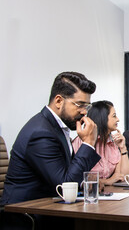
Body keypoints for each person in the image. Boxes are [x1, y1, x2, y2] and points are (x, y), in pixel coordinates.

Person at [0, 72, 101, 229]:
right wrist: (88, 143)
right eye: (80, 105)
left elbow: (67, 174)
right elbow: (66, 186)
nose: (84, 112)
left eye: (87, 106)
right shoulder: (41, 132)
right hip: (26, 216)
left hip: (49, 207)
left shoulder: (57, 128)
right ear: (59, 101)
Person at [72, 101, 129, 186]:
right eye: (114, 116)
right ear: (102, 118)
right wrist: (107, 181)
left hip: (108, 193)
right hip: (88, 195)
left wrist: (123, 148)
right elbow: (77, 178)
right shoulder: (82, 142)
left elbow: (124, 177)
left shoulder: (112, 143)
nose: (118, 119)